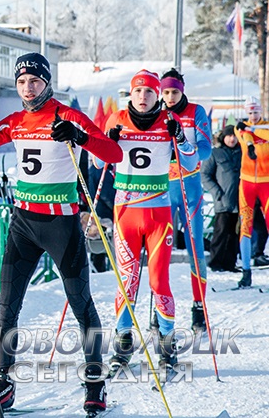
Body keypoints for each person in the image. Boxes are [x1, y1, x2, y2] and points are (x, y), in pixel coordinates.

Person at [0, 52, 123, 416]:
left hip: (61, 224)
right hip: (23, 224)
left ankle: (95, 384)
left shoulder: (69, 116)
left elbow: (113, 153)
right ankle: (2, 386)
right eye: (21, 82)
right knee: (7, 304)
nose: (28, 87)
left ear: (46, 82)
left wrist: (79, 136)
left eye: (34, 80)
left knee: (81, 304)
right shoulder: (16, 121)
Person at [102, 69, 198, 375]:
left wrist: (180, 137)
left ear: (158, 95)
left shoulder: (169, 121)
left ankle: (167, 346)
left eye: (149, 92)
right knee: (127, 282)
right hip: (125, 211)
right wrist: (108, 142)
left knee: (159, 281)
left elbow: (191, 160)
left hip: (159, 214)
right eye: (138, 91)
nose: (143, 97)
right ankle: (123, 344)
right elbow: (95, 162)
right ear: (131, 94)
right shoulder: (116, 119)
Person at [159, 69, 213, 333]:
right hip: (162, 189)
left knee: (195, 246)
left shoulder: (195, 111)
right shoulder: (156, 113)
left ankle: (199, 306)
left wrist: (183, 147)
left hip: (189, 186)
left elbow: (206, 147)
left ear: (182, 90)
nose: (170, 97)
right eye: (166, 92)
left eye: (174, 92)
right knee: (161, 249)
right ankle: (160, 306)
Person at [234, 96, 269, 287]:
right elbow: (245, 137)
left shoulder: (261, 127)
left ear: (261, 112)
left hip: (267, 183)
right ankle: (246, 271)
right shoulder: (240, 128)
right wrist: (249, 132)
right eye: (250, 113)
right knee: (245, 226)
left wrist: (254, 130)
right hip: (246, 183)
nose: (253, 116)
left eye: (256, 112)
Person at [201, 125, 241, 273]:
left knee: (234, 234)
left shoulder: (242, 153)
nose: (232, 139)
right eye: (229, 136)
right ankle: (216, 261)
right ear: (223, 137)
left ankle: (230, 263)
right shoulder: (215, 153)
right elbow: (205, 175)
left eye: (235, 136)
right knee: (221, 232)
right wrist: (217, 193)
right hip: (222, 201)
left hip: (239, 201)